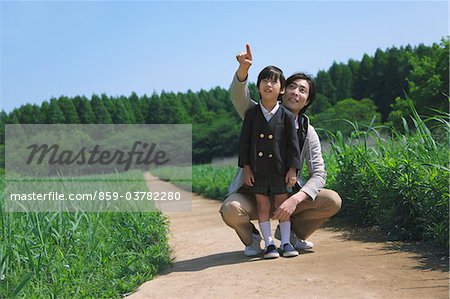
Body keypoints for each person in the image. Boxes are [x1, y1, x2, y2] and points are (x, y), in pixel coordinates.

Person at [220, 44, 342, 257]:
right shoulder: (256, 113)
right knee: (231, 210)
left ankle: (292, 236)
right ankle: (254, 238)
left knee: (332, 201)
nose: (296, 92)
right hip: (254, 190)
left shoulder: (307, 131)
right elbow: (238, 96)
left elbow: (319, 174)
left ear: (306, 102)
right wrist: (243, 70)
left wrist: (295, 200)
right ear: (282, 89)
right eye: (292, 86)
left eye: (302, 90)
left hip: (285, 191)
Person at [238, 65, 300, 259]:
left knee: (282, 206)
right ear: (257, 87)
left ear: (281, 89)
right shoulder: (251, 115)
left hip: (280, 170)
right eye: (264, 80)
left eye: (274, 81)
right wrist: (246, 169)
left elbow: (293, 145)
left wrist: (293, 169)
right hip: (258, 171)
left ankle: (287, 242)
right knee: (263, 206)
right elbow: (244, 144)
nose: (268, 84)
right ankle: (270, 244)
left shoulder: (287, 116)